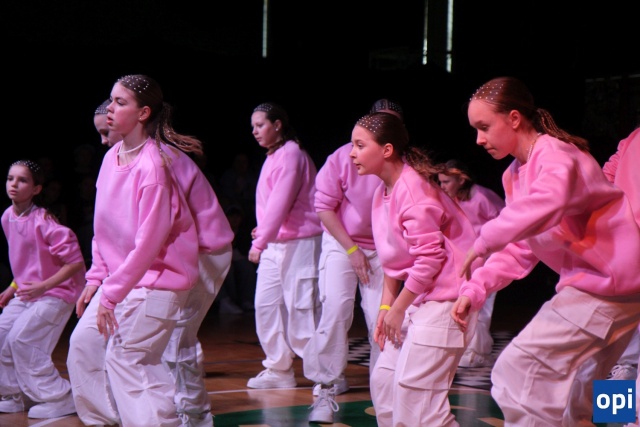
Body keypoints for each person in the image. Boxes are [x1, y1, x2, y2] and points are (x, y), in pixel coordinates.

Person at [450, 76, 640, 426]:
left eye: (484, 127)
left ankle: (627, 419)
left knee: (524, 373)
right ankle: (619, 418)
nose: (478, 139)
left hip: (611, 282)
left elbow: (548, 202)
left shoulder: (555, 154)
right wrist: (478, 286)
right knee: (589, 386)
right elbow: (524, 243)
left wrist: (485, 239)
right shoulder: (517, 174)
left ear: (514, 118)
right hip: (608, 282)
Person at [66, 74, 202, 427]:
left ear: (143, 113)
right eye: (111, 100)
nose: (110, 108)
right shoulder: (111, 157)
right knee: (83, 345)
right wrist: (97, 277)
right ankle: (106, 420)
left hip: (159, 281)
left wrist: (111, 294)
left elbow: (149, 244)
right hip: (122, 278)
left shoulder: (153, 166)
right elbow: (103, 227)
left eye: (120, 102)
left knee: (128, 358)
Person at [351, 112, 480, 426]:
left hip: (447, 301)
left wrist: (397, 309)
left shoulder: (413, 189)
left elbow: (429, 260)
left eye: (359, 145)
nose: (352, 153)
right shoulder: (383, 192)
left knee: (418, 407)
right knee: (384, 382)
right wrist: (386, 308)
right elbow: (393, 262)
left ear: (387, 150)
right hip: (420, 298)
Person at [304, 99, 403, 423]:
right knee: (335, 309)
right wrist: (351, 251)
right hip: (342, 243)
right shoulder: (345, 157)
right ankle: (326, 388)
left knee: (381, 321)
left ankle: (383, 393)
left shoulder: (405, 164)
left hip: (383, 249)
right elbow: (324, 207)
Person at [246, 102, 323, 390]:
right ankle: (279, 369)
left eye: (260, 125)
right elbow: (271, 205)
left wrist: (261, 239)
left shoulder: (292, 153)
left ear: (277, 125)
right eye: (253, 127)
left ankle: (323, 375)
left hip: (300, 242)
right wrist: (264, 230)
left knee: (301, 308)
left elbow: (282, 201)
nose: (255, 131)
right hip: (275, 242)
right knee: (265, 305)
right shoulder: (274, 156)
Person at [0, 159, 85, 419]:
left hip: (57, 292)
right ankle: (16, 394)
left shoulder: (44, 221)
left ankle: (60, 397)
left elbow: (75, 262)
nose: (14, 184)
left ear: (36, 189)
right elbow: (28, 260)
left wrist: (43, 286)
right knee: (2, 334)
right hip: (29, 291)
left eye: (22, 180)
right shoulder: (7, 216)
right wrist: (12, 286)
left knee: (23, 340)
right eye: (11, 178)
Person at [436, 158, 505, 368]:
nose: (442, 186)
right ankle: (466, 348)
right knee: (466, 302)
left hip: (488, 258)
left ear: (462, 180)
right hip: (464, 259)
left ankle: (478, 351)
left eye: (446, 182)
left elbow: (504, 222)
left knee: (482, 305)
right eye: (440, 182)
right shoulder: (451, 199)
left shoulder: (481, 197)